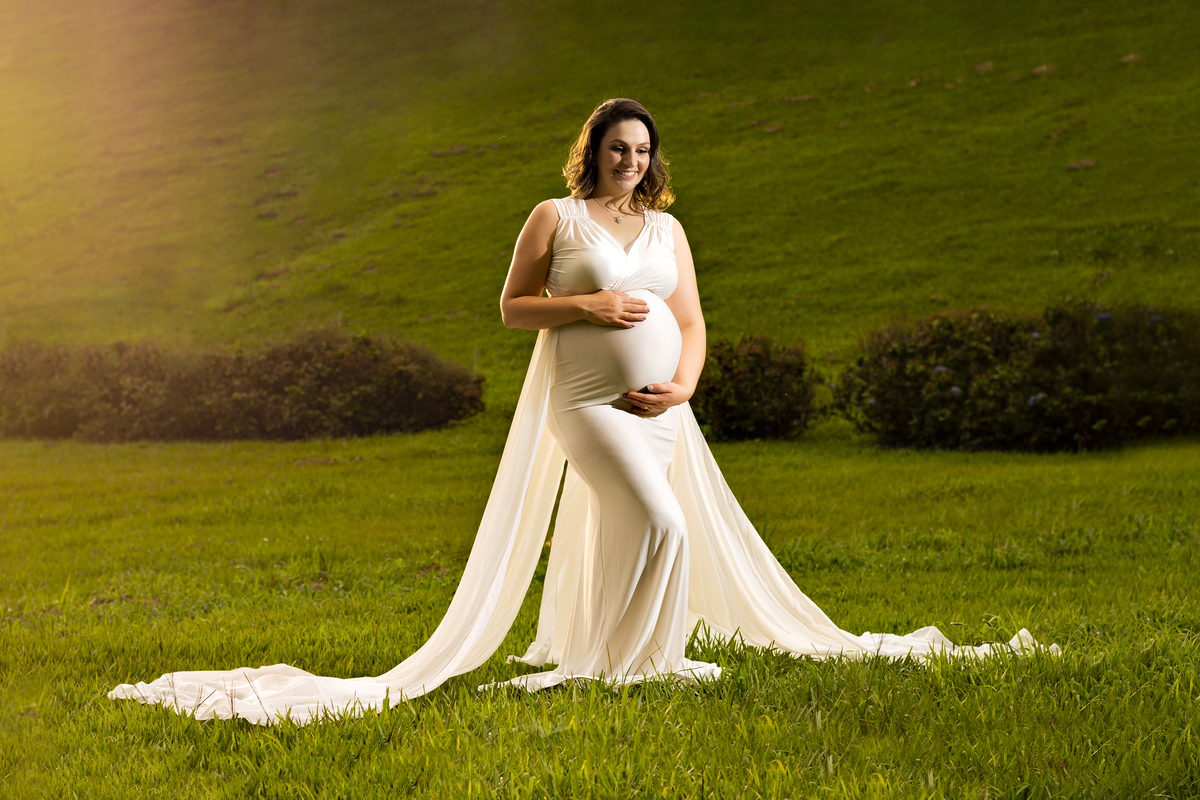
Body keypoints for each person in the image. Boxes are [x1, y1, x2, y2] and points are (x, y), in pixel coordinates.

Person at [110, 98, 1052, 725]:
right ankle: (626, 668)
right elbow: (512, 308)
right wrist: (589, 307)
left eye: (643, 152)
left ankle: (622, 651)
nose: (631, 163)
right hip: (588, 398)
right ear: (593, 150)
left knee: (635, 529)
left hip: (660, 406)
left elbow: (691, 319)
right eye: (618, 149)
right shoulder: (552, 220)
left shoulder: (670, 229)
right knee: (661, 523)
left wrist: (686, 383)